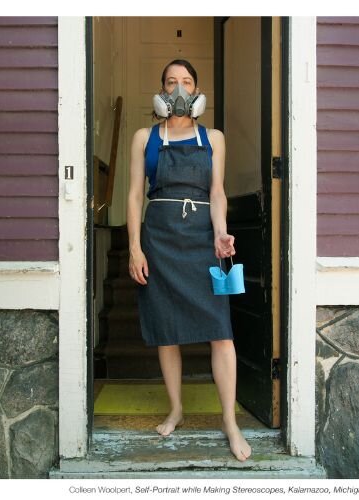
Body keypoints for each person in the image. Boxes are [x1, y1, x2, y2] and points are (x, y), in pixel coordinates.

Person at [126, 59, 251, 461]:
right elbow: (132, 196)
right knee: (167, 330)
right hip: (159, 240)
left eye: (186, 82)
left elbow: (217, 193)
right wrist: (134, 247)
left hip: (201, 242)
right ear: (161, 92)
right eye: (170, 82)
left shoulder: (213, 138)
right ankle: (177, 408)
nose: (179, 90)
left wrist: (220, 232)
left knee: (221, 330)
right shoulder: (144, 137)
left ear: (197, 93)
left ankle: (229, 422)